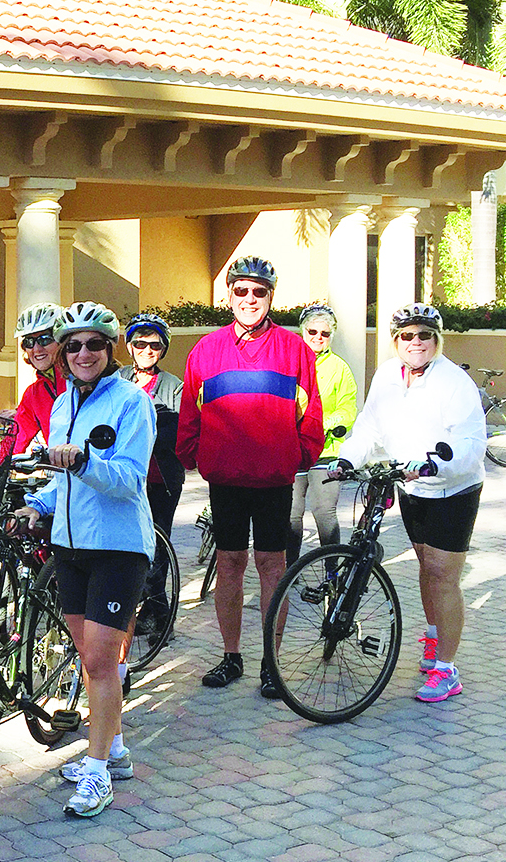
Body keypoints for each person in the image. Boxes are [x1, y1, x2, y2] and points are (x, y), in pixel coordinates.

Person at [20, 302, 155, 819]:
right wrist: (37, 505)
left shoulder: (131, 402)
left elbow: (129, 480)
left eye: (94, 343)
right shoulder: (61, 405)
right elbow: (63, 482)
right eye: (73, 345)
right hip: (70, 548)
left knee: (100, 662)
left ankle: (97, 771)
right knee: (90, 658)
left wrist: (85, 461)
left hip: (118, 548)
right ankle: (114, 749)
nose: (83, 353)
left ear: (110, 348)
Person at [177, 256, 323, 696]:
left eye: (259, 291)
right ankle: (231, 656)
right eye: (241, 290)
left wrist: (299, 457)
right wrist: (192, 456)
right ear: (229, 295)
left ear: (270, 297)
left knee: (272, 566)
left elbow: (311, 414)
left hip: (274, 480)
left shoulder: (295, 349)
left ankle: (271, 664)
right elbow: (190, 413)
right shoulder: (206, 350)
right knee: (229, 563)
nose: (249, 299)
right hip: (226, 479)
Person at [329, 304, 485, 703]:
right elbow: (369, 426)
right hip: (411, 485)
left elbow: (470, 444)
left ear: (437, 339)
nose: (416, 342)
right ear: (396, 341)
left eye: (425, 335)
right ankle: (434, 637)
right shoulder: (387, 375)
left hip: (453, 488)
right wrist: (348, 459)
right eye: (407, 336)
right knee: (426, 566)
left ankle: (447, 670)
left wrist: (435, 464)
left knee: (443, 575)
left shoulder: (454, 382)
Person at [125, 313, 185, 640]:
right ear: (129, 347)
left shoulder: (174, 386)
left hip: (161, 478)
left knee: (157, 547)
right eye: (140, 343)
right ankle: (150, 610)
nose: (147, 350)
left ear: (163, 350)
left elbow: (176, 434)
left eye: (155, 345)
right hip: (126, 478)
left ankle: (161, 616)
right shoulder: (117, 379)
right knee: (131, 545)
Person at [288, 304, 358, 567]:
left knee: (324, 512)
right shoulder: (289, 361)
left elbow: (348, 408)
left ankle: (332, 574)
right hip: (293, 449)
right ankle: (289, 573)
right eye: (312, 331)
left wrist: (325, 424)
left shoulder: (340, 368)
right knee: (291, 515)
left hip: (326, 450)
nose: (318, 337)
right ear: (302, 331)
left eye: (325, 333)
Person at [11, 303, 67, 453]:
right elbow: (13, 442)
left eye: (45, 339)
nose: (36, 349)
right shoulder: (34, 394)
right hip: (59, 466)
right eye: (29, 342)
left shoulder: (81, 380)